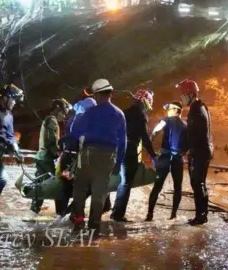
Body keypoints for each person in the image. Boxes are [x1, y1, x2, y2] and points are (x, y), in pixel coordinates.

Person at [71, 78, 127, 237]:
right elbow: (123, 142)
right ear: (110, 93)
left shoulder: (90, 112)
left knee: (80, 187)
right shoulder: (119, 114)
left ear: (96, 95)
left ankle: (79, 220)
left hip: (88, 153)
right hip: (108, 156)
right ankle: (94, 227)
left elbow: (75, 132)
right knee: (99, 191)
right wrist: (118, 163)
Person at [111, 88, 158, 222]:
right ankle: (118, 215)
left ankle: (115, 211)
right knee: (126, 183)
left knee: (122, 181)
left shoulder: (124, 112)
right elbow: (144, 136)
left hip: (118, 148)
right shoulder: (140, 115)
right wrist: (153, 156)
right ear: (145, 102)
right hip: (129, 149)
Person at [177, 79, 213, 226]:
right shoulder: (200, 107)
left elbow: (194, 134)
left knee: (197, 183)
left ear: (190, 94)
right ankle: (202, 213)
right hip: (204, 150)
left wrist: (184, 150)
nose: (181, 98)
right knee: (200, 183)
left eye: (183, 95)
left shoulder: (196, 110)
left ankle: (201, 216)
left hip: (199, 152)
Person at [145, 101, 187, 221]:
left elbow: (156, 131)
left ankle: (150, 214)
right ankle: (173, 215)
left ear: (175, 110)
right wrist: (182, 152)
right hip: (178, 159)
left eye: (169, 109)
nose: (167, 111)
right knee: (177, 187)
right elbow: (188, 143)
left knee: (157, 186)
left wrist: (151, 140)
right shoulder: (185, 125)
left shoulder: (166, 120)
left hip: (164, 157)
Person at [55, 97, 97, 216]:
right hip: (76, 160)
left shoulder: (72, 119)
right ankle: (71, 213)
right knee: (87, 188)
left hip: (65, 158)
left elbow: (66, 138)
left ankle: (60, 215)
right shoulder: (86, 121)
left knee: (65, 188)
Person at [33, 98, 72, 214]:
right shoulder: (52, 120)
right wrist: (59, 153)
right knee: (57, 185)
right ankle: (61, 213)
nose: (64, 116)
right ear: (57, 109)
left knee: (40, 186)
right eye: (64, 113)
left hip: (41, 157)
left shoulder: (47, 119)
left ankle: (34, 211)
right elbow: (51, 141)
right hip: (47, 159)